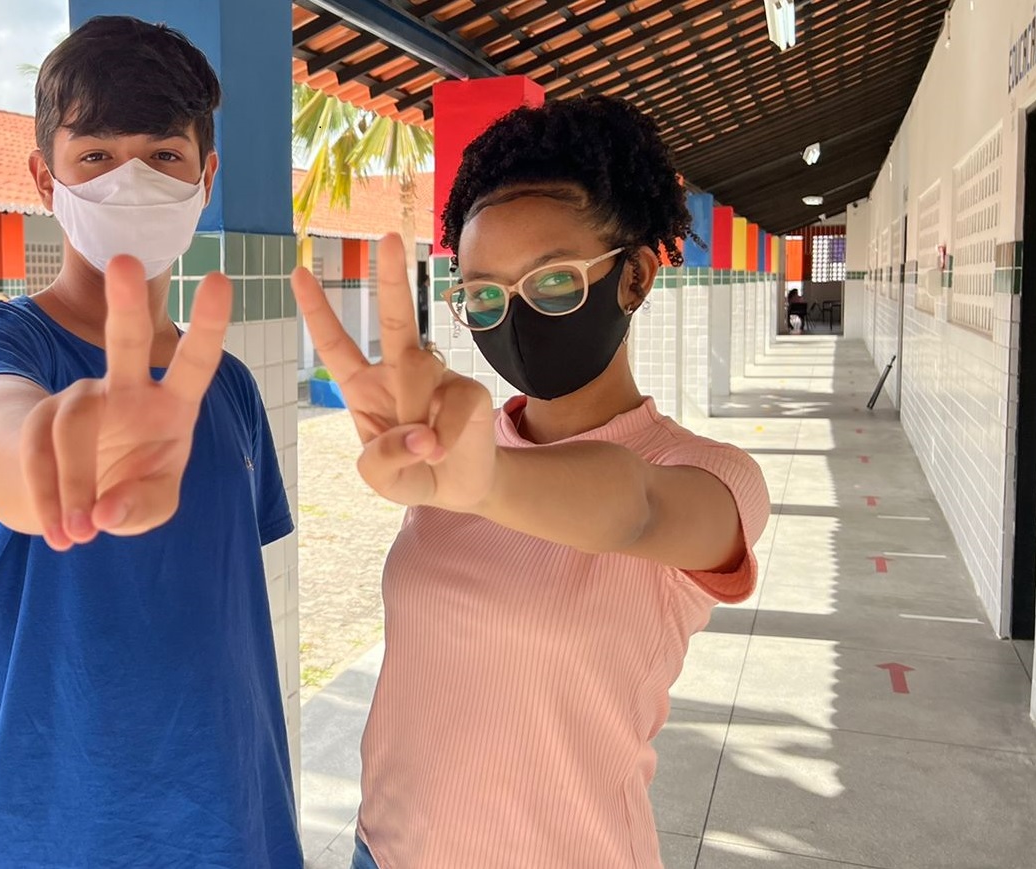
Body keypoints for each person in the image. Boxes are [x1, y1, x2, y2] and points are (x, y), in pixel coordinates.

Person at [291, 96, 770, 869]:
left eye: (552, 283)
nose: (512, 316)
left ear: (634, 275)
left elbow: (633, 507)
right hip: (383, 851)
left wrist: (485, 481)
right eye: (483, 294)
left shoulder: (711, 476)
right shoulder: (455, 447)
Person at [0, 16, 299, 869]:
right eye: (95, 156)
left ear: (205, 177)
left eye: (162, 155)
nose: (130, 182)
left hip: (233, 826)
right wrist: (53, 455)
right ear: (44, 178)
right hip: (34, 837)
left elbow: (225, 617)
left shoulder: (226, 385)